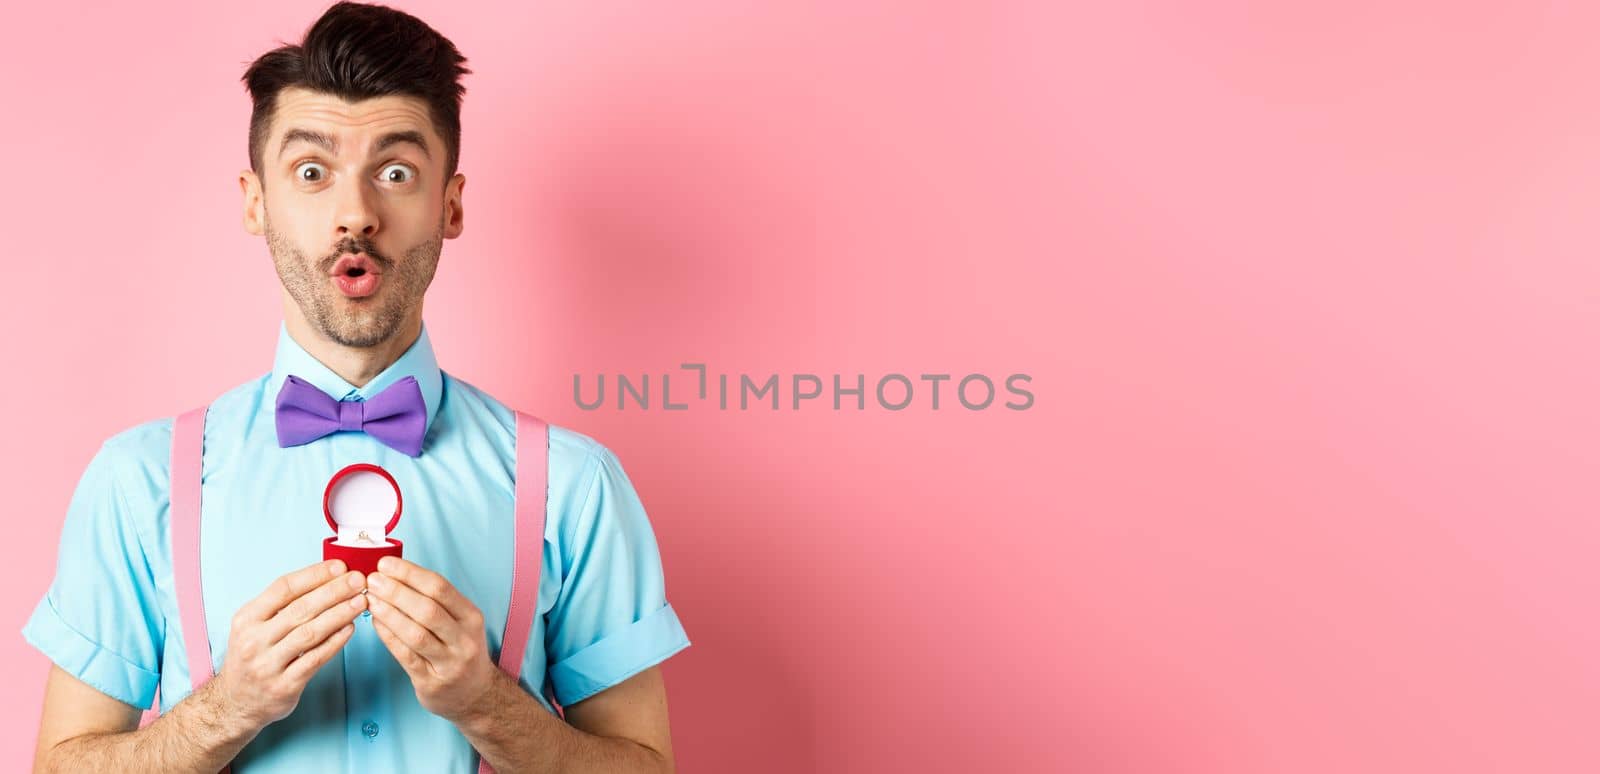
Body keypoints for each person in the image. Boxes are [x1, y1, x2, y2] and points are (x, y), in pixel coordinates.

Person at [22, 3, 689, 771]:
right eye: (312, 172)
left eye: (396, 172)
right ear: (254, 200)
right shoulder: (138, 482)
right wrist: (225, 710)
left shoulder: (575, 485)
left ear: (450, 204)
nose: (355, 214)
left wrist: (488, 705)